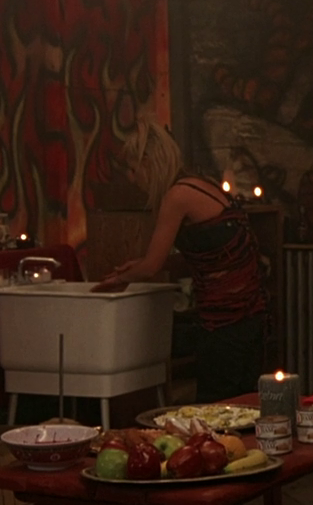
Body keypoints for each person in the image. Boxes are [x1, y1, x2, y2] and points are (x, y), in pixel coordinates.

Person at [102, 117, 268, 403]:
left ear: (149, 163)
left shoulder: (177, 196)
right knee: (244, 403)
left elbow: (151, 266)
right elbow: (211, 256)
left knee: (217, 406)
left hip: (226, 321)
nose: (131, 178)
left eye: (133, 169)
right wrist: (144, 266)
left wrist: (119, 278)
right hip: (250, 315)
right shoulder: (200, 184)